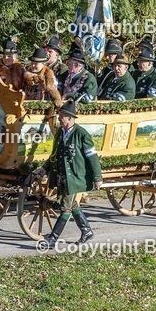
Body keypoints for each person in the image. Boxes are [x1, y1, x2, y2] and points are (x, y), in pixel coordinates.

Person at [38, 100, 103, 248]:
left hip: (75, 177)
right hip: (62, 177)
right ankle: (86, 231)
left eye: (62, 118)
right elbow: (54, 155)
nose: (60, 121)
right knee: (73, 205)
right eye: (59, 118)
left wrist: (98, 177)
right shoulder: (60, 132)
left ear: (70, 118)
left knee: (65, 207)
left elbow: (92, 156)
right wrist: (44, 168)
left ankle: (52, 239)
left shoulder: (82, 134)